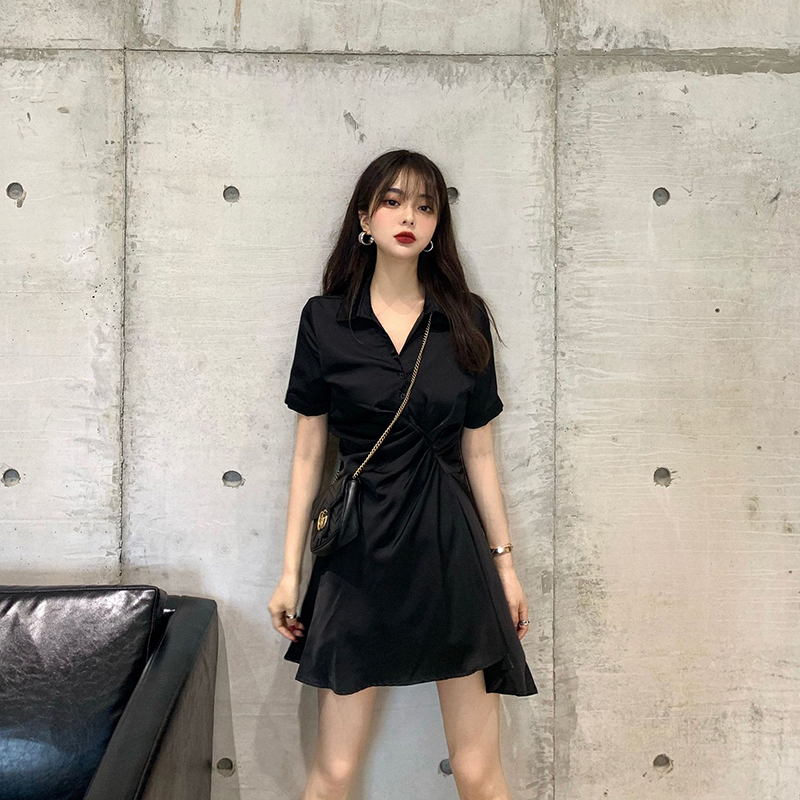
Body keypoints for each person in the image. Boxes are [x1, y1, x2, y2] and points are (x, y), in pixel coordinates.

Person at [268, 149, 538, 800]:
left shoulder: (464, 318)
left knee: (478, 771)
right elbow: (308, 454)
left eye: (424, 205)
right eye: (392, 202)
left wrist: (505, 567)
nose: (408, 216)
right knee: (334, 771)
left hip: (452, 551)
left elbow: (479, 454)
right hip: (359, 553)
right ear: (364, 218)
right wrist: (289, 572)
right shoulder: (326, 320)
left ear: (439, 224)